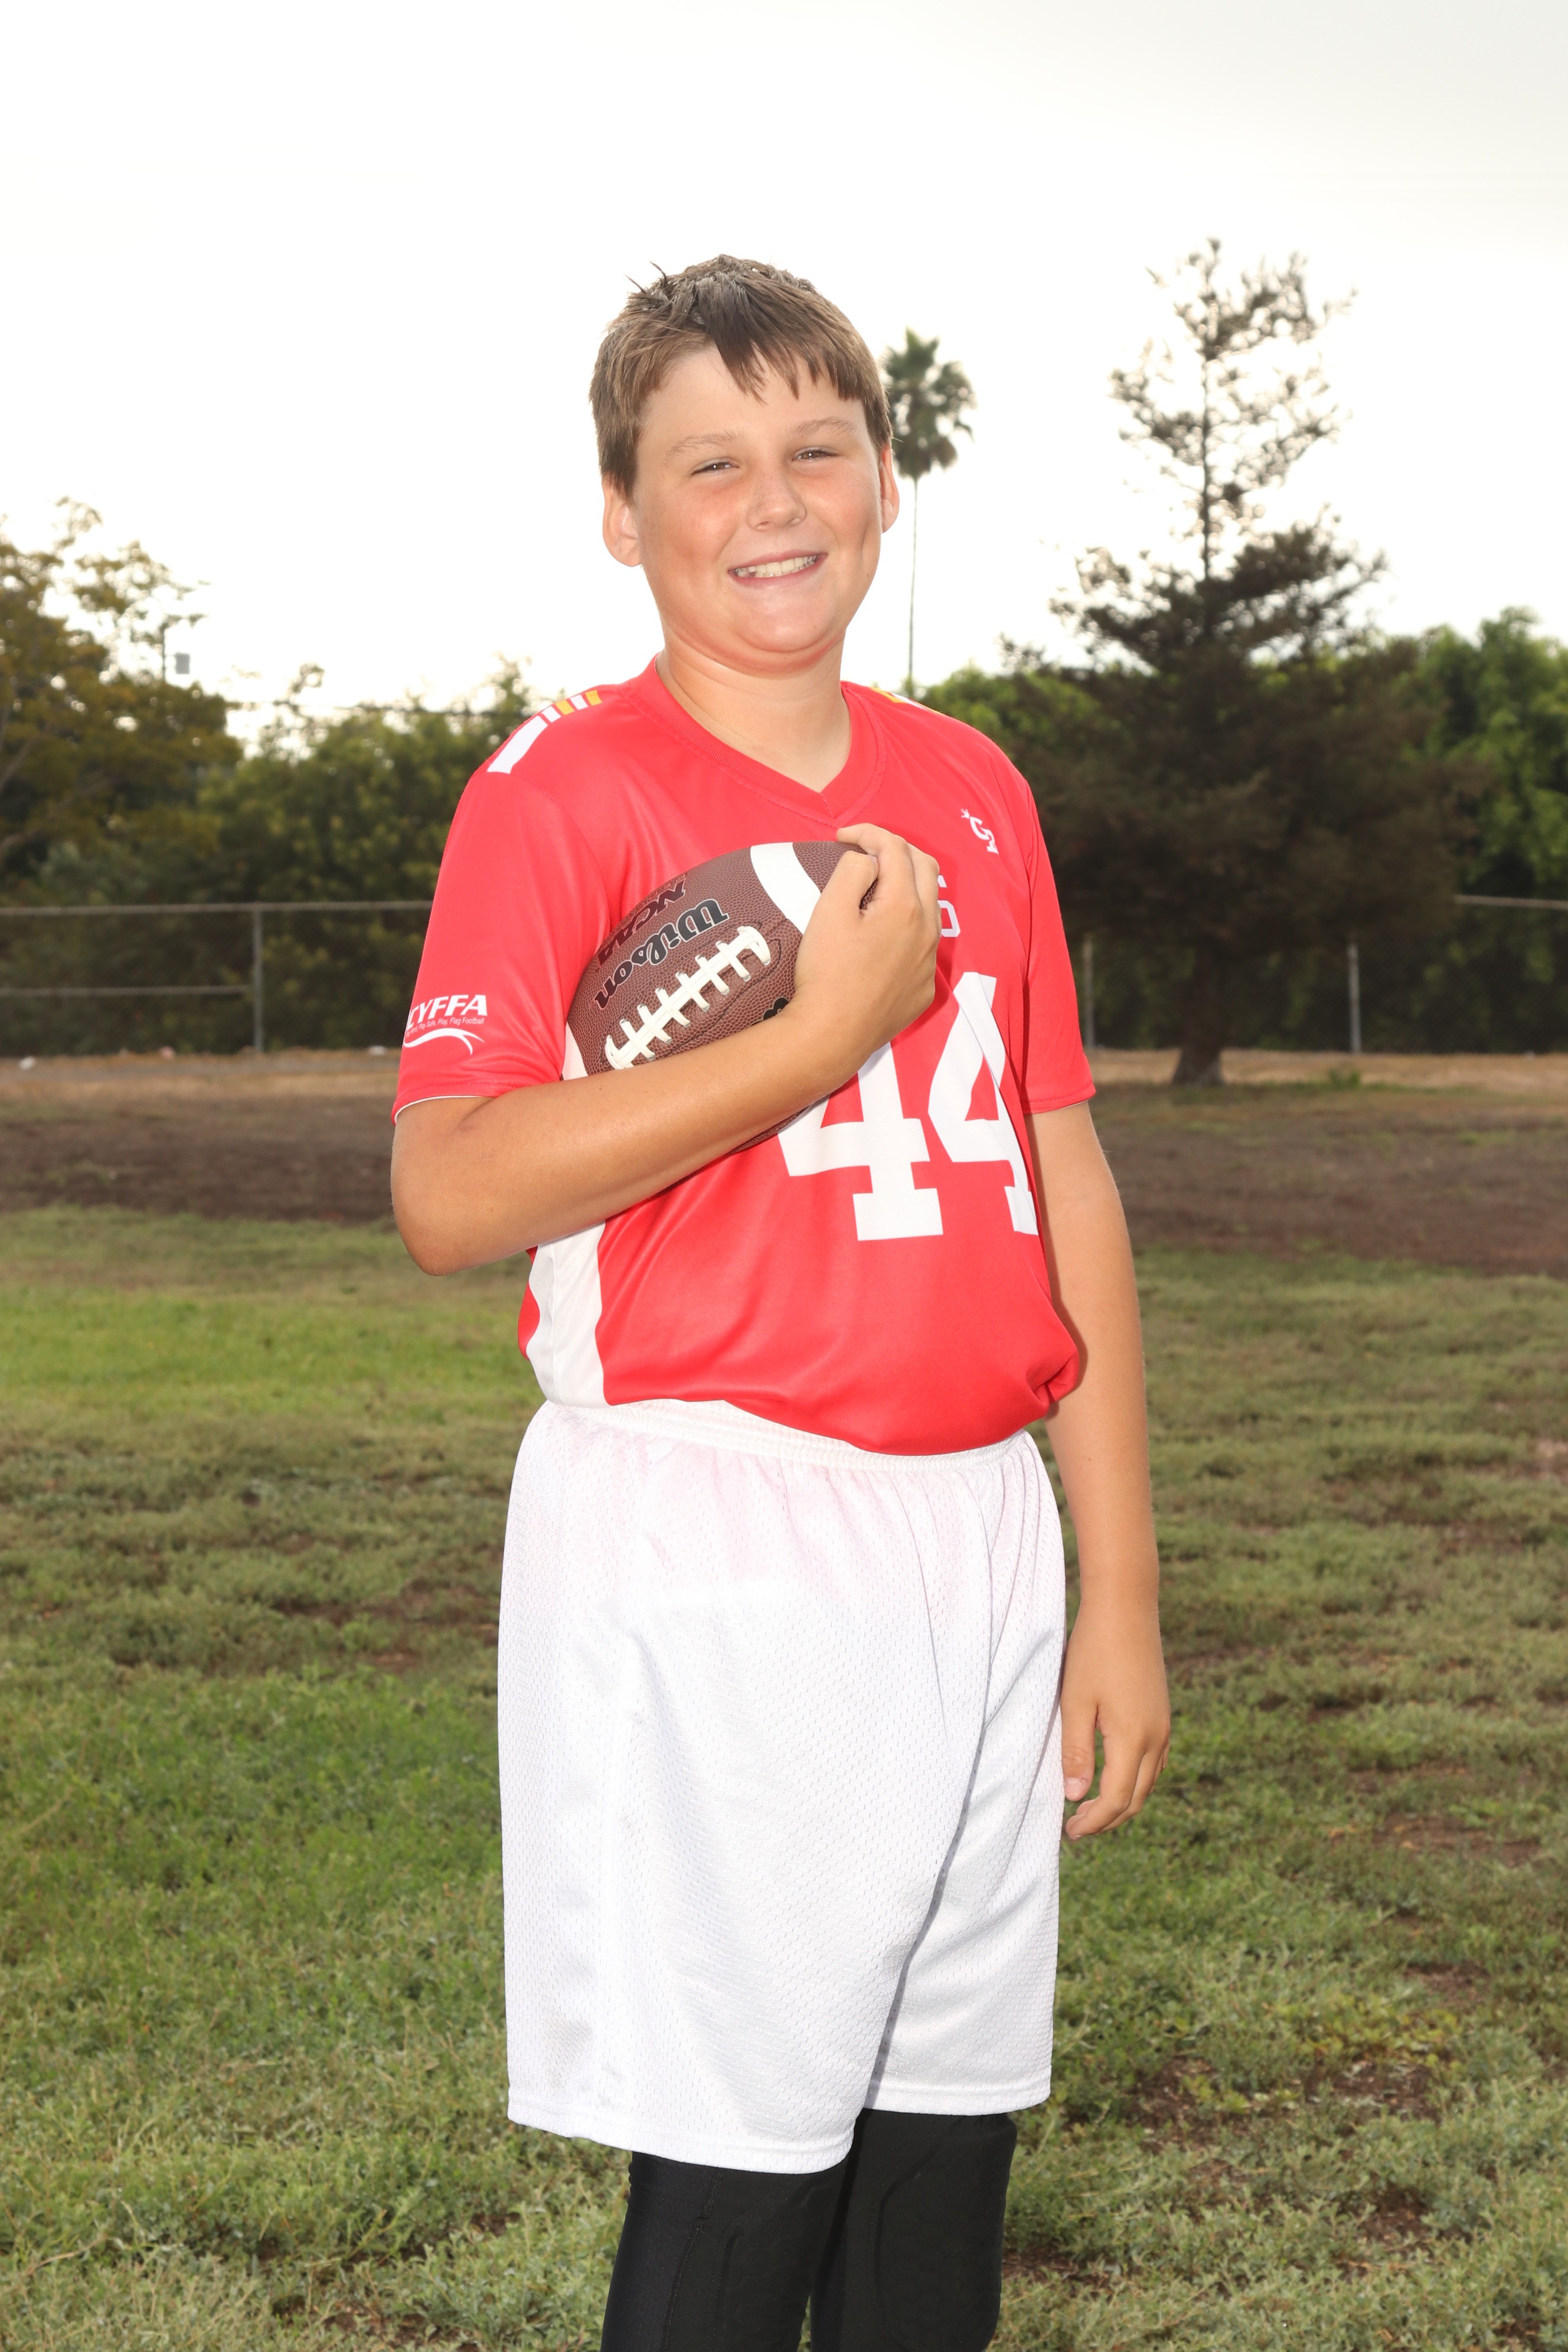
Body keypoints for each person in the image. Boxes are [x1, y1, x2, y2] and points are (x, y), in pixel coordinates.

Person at [390, 254, 1169, 2352]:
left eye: (819, 448)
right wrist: (820, 1038)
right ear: (622, 513)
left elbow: (1066, 1175)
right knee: (746, 2181)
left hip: (977, 1527)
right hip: (723, 1532)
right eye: (709, 462)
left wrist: (1116, 1588)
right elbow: (448, 1194)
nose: (774, 501)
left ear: (887, 483)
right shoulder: (566, 789)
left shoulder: (976, 783)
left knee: (937, 2172)